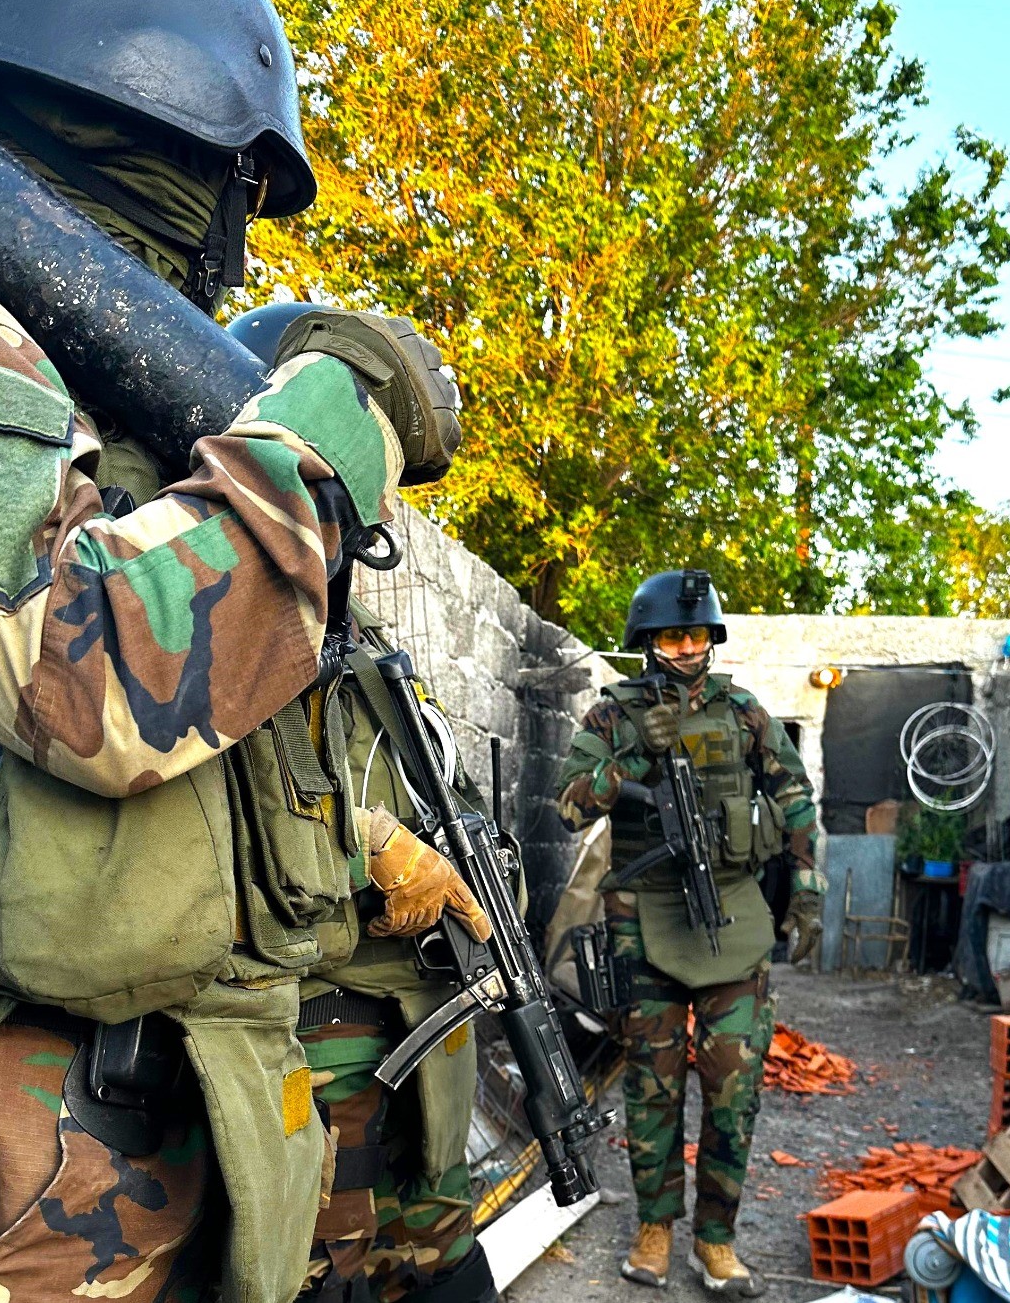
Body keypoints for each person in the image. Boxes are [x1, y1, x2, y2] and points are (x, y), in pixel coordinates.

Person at [0, 0, 482, 1300]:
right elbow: (87, 672)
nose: (235, 239)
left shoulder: (45, 356)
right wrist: (328, 442)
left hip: (117, 1114)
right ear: (181, 136)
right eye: (243, 190)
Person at [231, 304, 498, 1303]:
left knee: (439, 1271)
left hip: (415, 1032)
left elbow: (442, 792)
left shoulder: (376, 664)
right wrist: (369, 847)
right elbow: (199, 822)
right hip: (297, 1046)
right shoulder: (212, 637)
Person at [555, 570, 823, 1296]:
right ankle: (656, 1226)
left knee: (735, 1082)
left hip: (732, 912)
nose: (686, 646)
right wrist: (635, 757)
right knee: (652, 1084)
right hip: (644, 916)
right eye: (672, 635)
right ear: (647, 641)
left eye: (697, 633)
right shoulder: (615, 712)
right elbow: (571, 807)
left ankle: (716, 1237)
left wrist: (806, 890)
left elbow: (793, 798)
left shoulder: (743, 712)